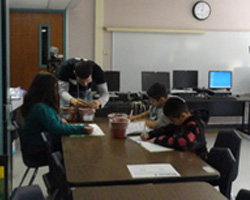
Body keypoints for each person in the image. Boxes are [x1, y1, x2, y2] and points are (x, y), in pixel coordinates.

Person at [21, 71, 93, 156]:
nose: (56, 91)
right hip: (39, 148)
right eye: (55, 88)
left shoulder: (38, 104)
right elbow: (56, 128)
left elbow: (52, 121)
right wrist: (82, 129)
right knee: (75, 149)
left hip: (39, 144)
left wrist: (60, 120)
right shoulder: (41, 108)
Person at [141, 97, 208, 160]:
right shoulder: (182, 121)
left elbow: (183, 142)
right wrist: (150, 134)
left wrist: (159, 140)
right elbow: (167, 129)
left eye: (172, 120)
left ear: (182, 116)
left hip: (197, 161)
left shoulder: (194, 125)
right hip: (184, 158)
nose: (171, 122)